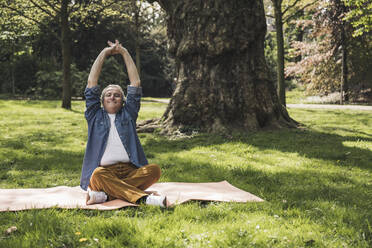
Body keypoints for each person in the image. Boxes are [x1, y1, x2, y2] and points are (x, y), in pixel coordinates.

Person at [80, 40, 168, 208]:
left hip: (130, 171)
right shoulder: (94, 115)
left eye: (117, 95)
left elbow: (135, 84)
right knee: (97, 174)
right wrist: (104, 53)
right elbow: (92, 83)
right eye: (108, 94)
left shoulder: (128, 115)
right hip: (105, 172)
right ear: (102, 100)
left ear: (123, 101)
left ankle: (105, 196)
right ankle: (144, 199)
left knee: (154, 170)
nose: (112, 97)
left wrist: (125, 52)